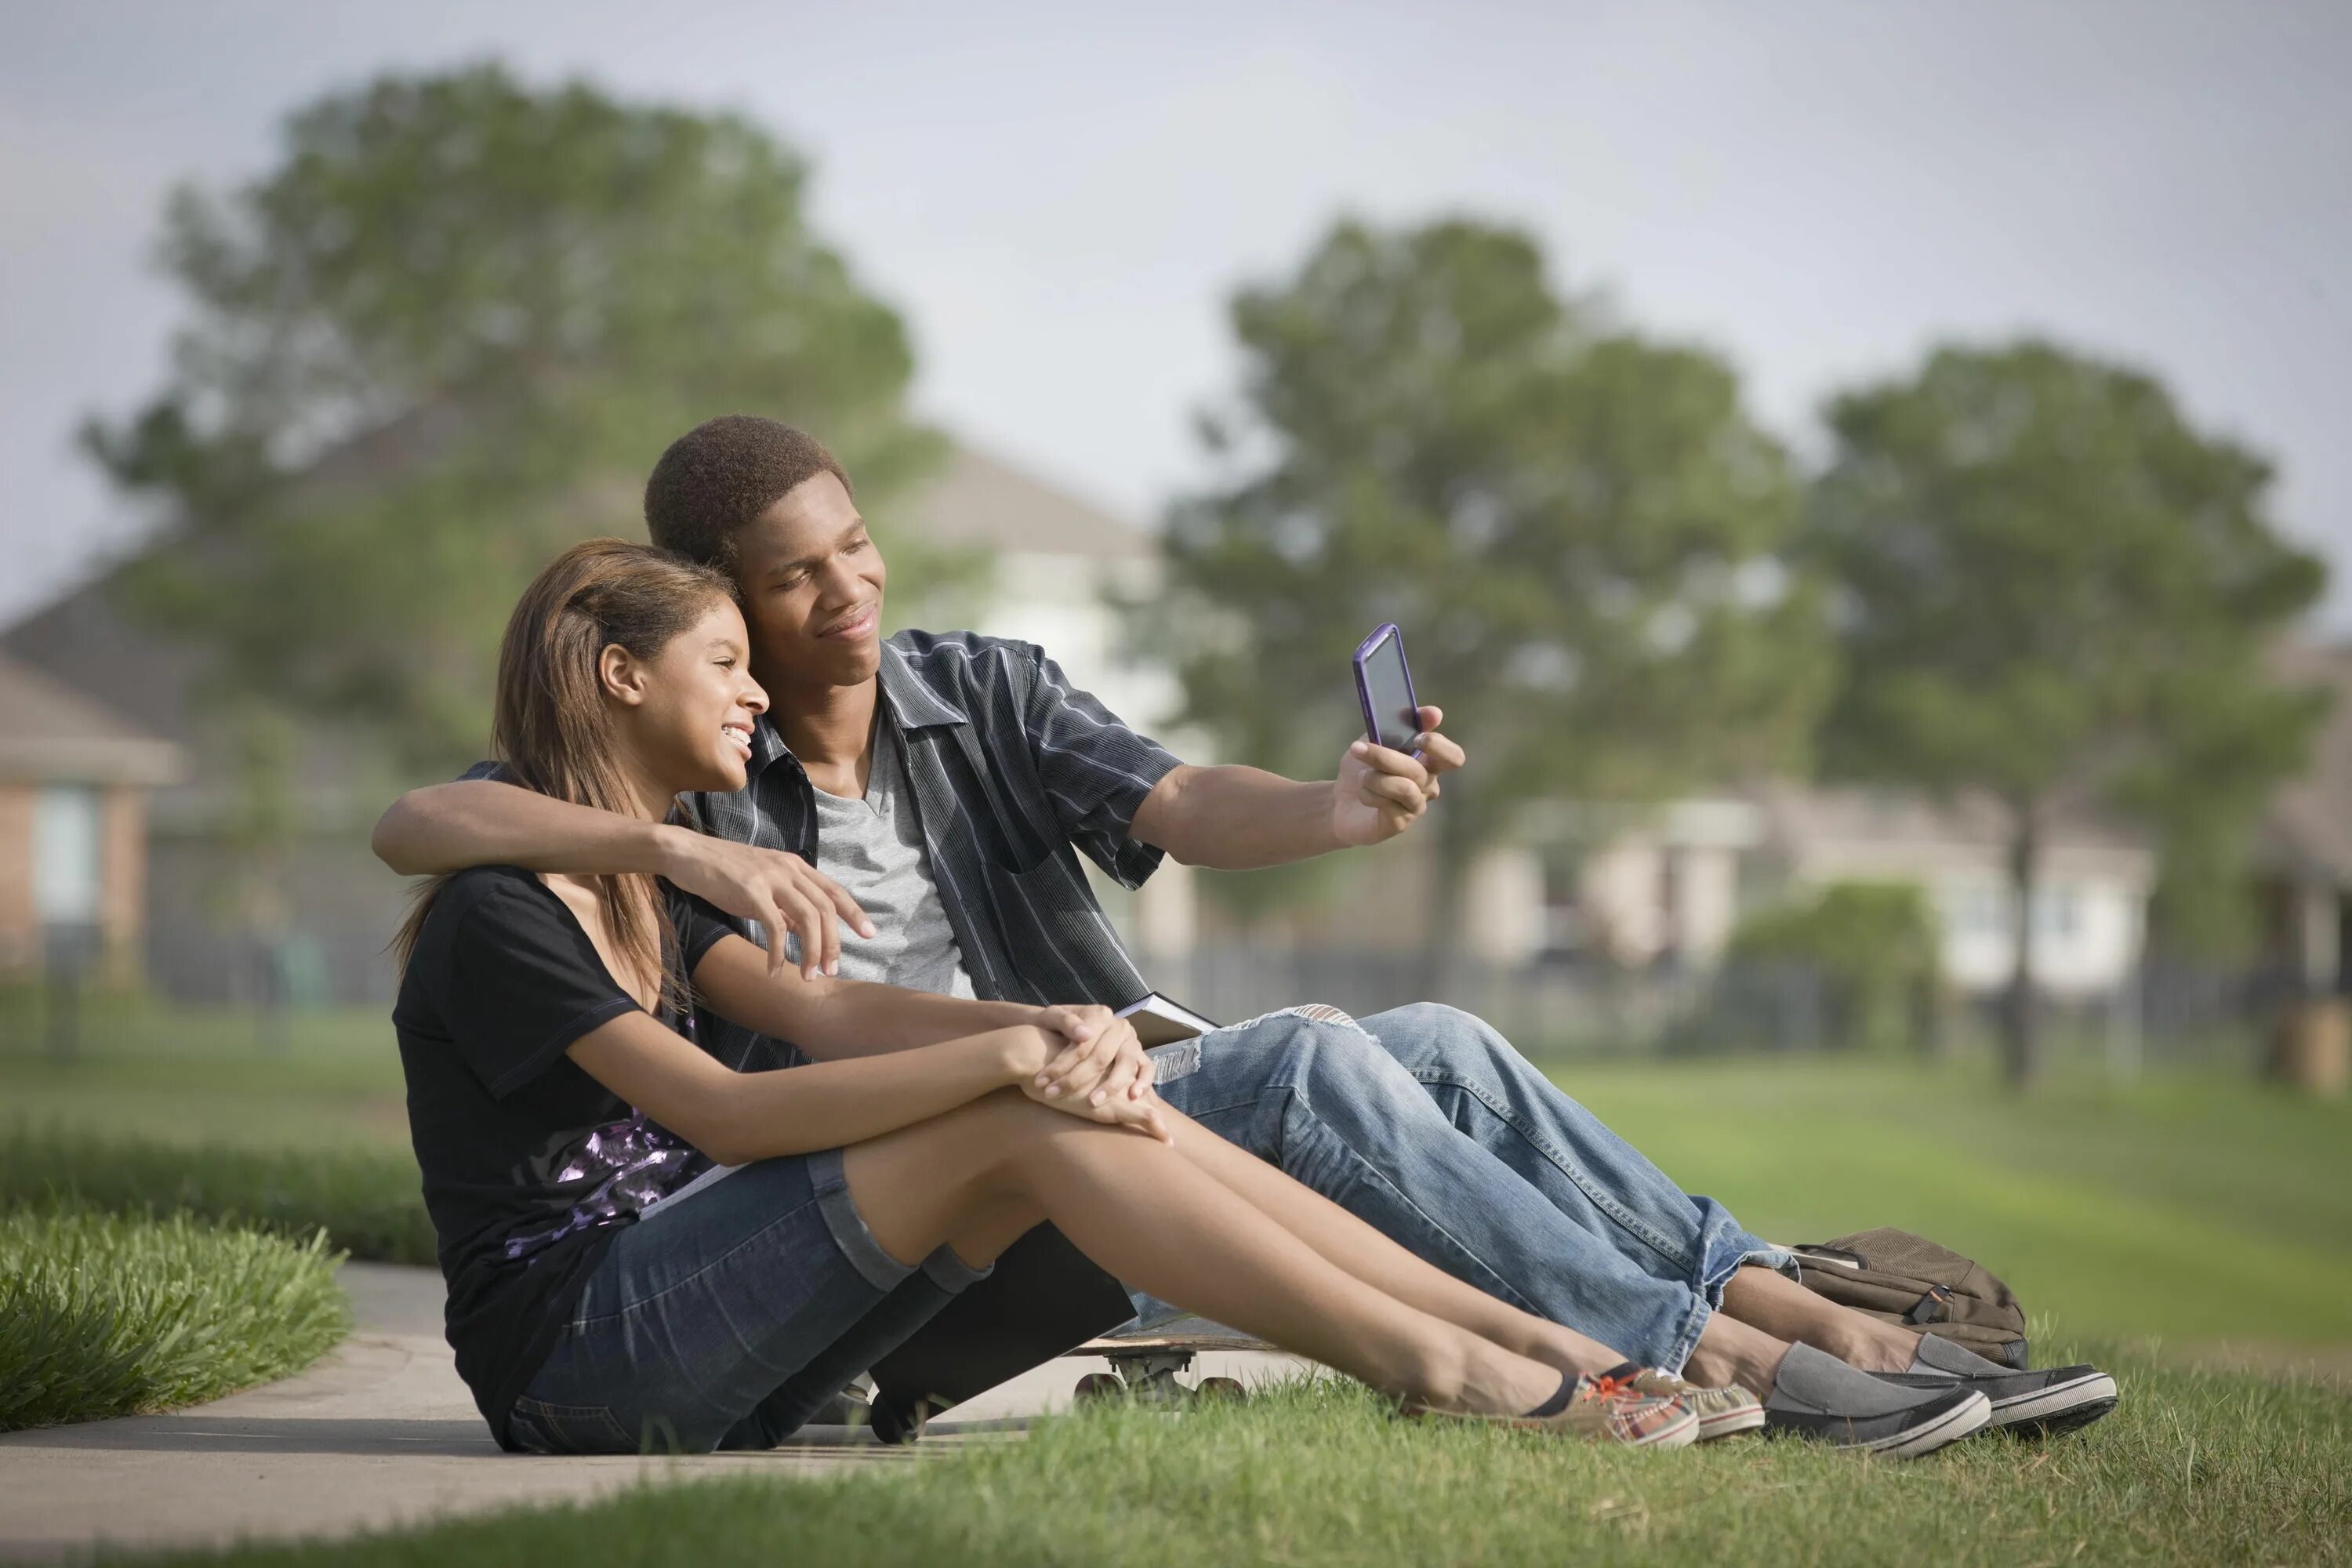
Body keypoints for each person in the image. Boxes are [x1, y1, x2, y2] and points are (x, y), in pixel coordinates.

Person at [376, 419, 2115, 1449]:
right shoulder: (693, 809)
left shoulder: (972, 690)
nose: (845, 594)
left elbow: (1180, 798)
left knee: (1431, 1034)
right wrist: (701, 865)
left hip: (1054, 1119)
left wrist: (1341, 809)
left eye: (859, 547)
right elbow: (443, 827)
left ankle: (1765, 1295)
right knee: (1302, 1059)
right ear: (711, 610)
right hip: (926, 1218)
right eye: (789, 584)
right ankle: (1708, 1357)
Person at [394, 536, 1769, 1454]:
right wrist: (1012, 1068)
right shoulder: (506, 907)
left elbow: (834, 1017)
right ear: (621, 676)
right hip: (580, 1361)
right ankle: (1464, 1372)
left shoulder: (665, 888)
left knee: (1078, 1110)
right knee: (1030, 1122)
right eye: (727, 665)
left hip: (709, 1326)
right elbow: (730, 1116)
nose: (756, 694)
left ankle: (1524, 1340)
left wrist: (1051, 1032)